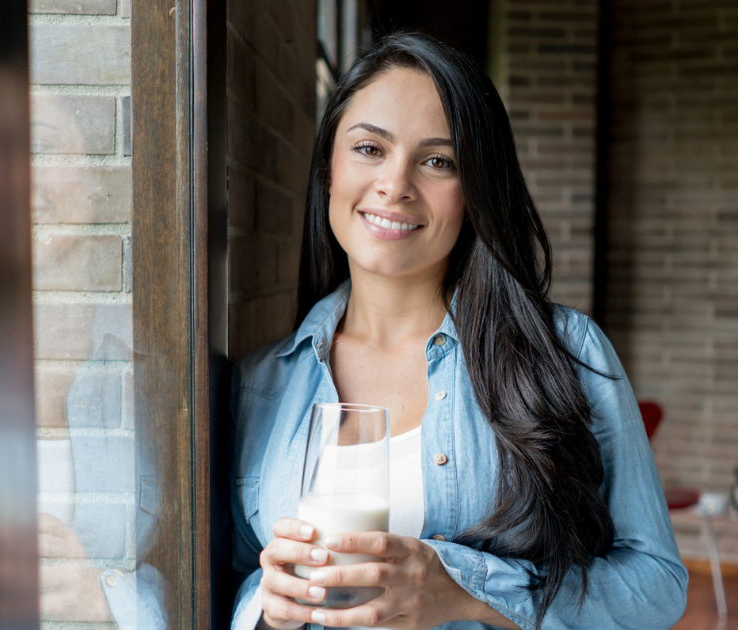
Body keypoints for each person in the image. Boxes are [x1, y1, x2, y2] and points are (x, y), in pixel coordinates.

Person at [229, 32, 687, 630]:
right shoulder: (259, 385)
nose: (396, 185)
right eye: (370, 148)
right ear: (328, 170)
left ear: (475, 191)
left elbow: (655, 584)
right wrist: (268, 607)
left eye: (438, 161)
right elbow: (231, 576)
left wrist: (465, 590)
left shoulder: (568, 352)